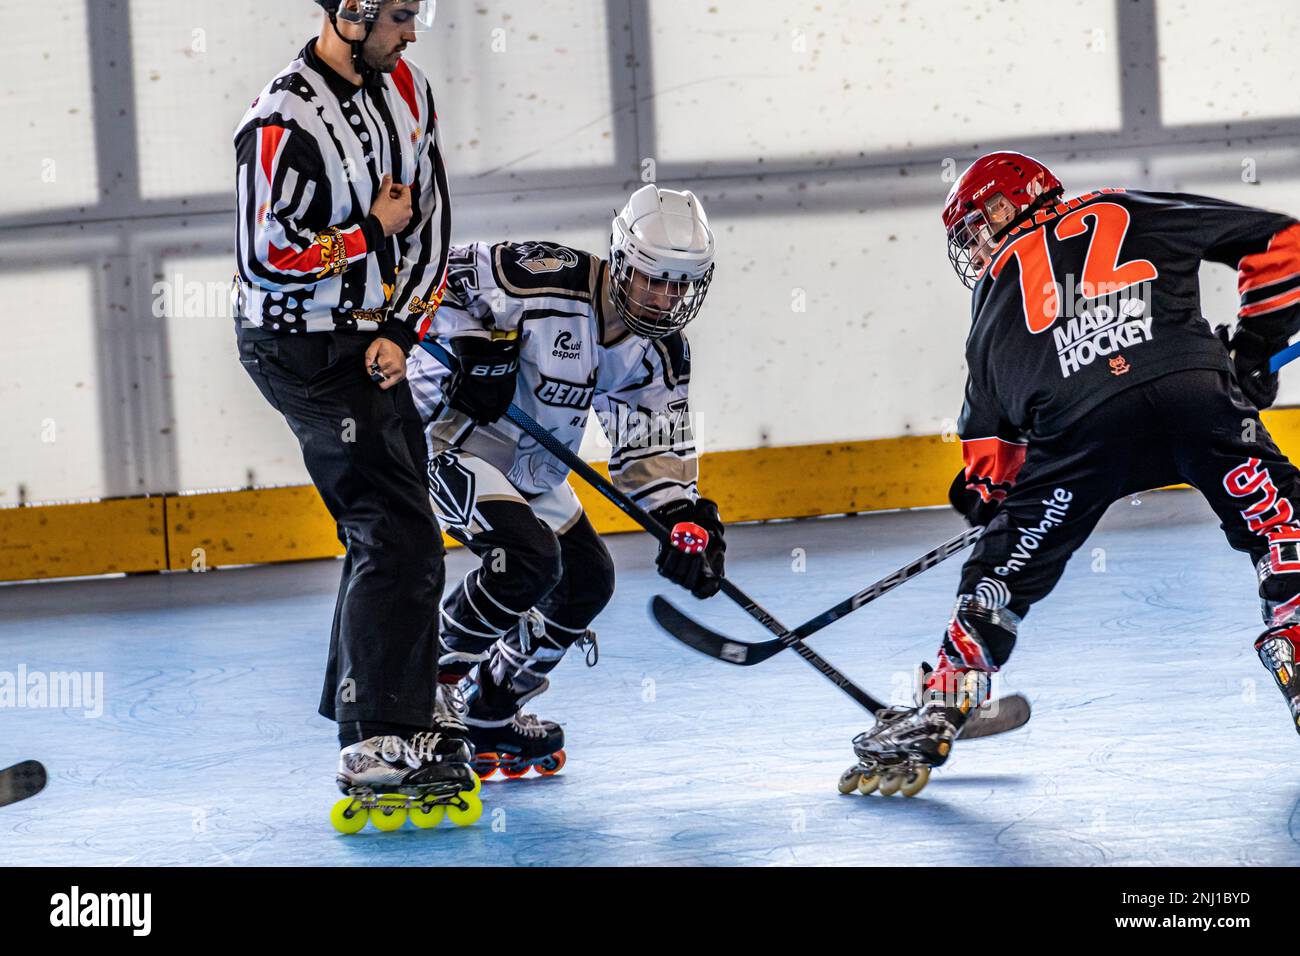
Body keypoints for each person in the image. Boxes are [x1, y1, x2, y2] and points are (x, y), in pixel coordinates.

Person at [844, 151, 1300, 798]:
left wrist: (988, 498)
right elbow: (1285, 243)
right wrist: (1256, 343)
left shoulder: (991, 301)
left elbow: (988, 452)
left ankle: (946, 698)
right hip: (1193, 396)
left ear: (1008, 206)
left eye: (977, 226)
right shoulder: (1133, 205)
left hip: (1083, 439)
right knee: (1279, 518)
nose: (975, 248)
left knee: (1002, 571)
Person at [233, 0, 473, 818]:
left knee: (393, 527)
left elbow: (434, 224)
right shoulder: (281, 120)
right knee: (396, 531)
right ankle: (380, 732)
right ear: (351, 12)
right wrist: (369, 232)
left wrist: (404, 328)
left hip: (372, 338)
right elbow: (266, 260)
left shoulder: (407, 87)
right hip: (299, 350)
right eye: (403, 14)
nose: (414, 31)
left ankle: (378, 706)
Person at [405, 184, 727, 777]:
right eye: (654, 279)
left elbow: (648, 447)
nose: (665, 300)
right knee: (527, 560)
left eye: (681, 285)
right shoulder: (540, 275)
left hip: (530, 466)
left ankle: (491, 707)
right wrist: (477, 346)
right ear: (621, 260)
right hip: (450, 437)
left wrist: (682, 517)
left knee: (587, 579)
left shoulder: (658, 352)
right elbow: (429, 276)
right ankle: (425, 688)